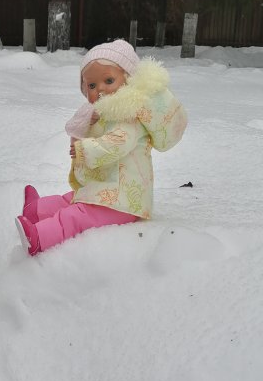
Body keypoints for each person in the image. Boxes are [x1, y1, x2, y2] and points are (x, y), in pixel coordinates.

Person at [15, 40, 187, 255]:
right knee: (73, 198)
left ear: (129, 80)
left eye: (108, 80)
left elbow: (118, 143)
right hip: (109, 190)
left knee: (79, 214)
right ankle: (36, 211)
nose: (101, 89)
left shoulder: (129, 114)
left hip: (125, 200)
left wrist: (85, 149)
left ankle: (40, 237)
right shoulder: (105, 114)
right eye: (92, 85)